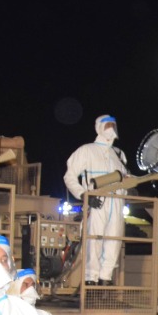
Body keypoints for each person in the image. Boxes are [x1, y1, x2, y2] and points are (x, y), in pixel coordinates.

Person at [63, 115, 129, 285]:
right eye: (107, 125)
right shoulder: (87, 150)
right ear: (99, 127)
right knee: (94, 241)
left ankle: (105, 279)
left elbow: (126, 179)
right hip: (97, 202)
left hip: (117, 203)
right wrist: (84, 195)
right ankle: (90, 279)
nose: (111, 128)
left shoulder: (119, 154)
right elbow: (70, 176)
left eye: (113, 124)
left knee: (114, 242)